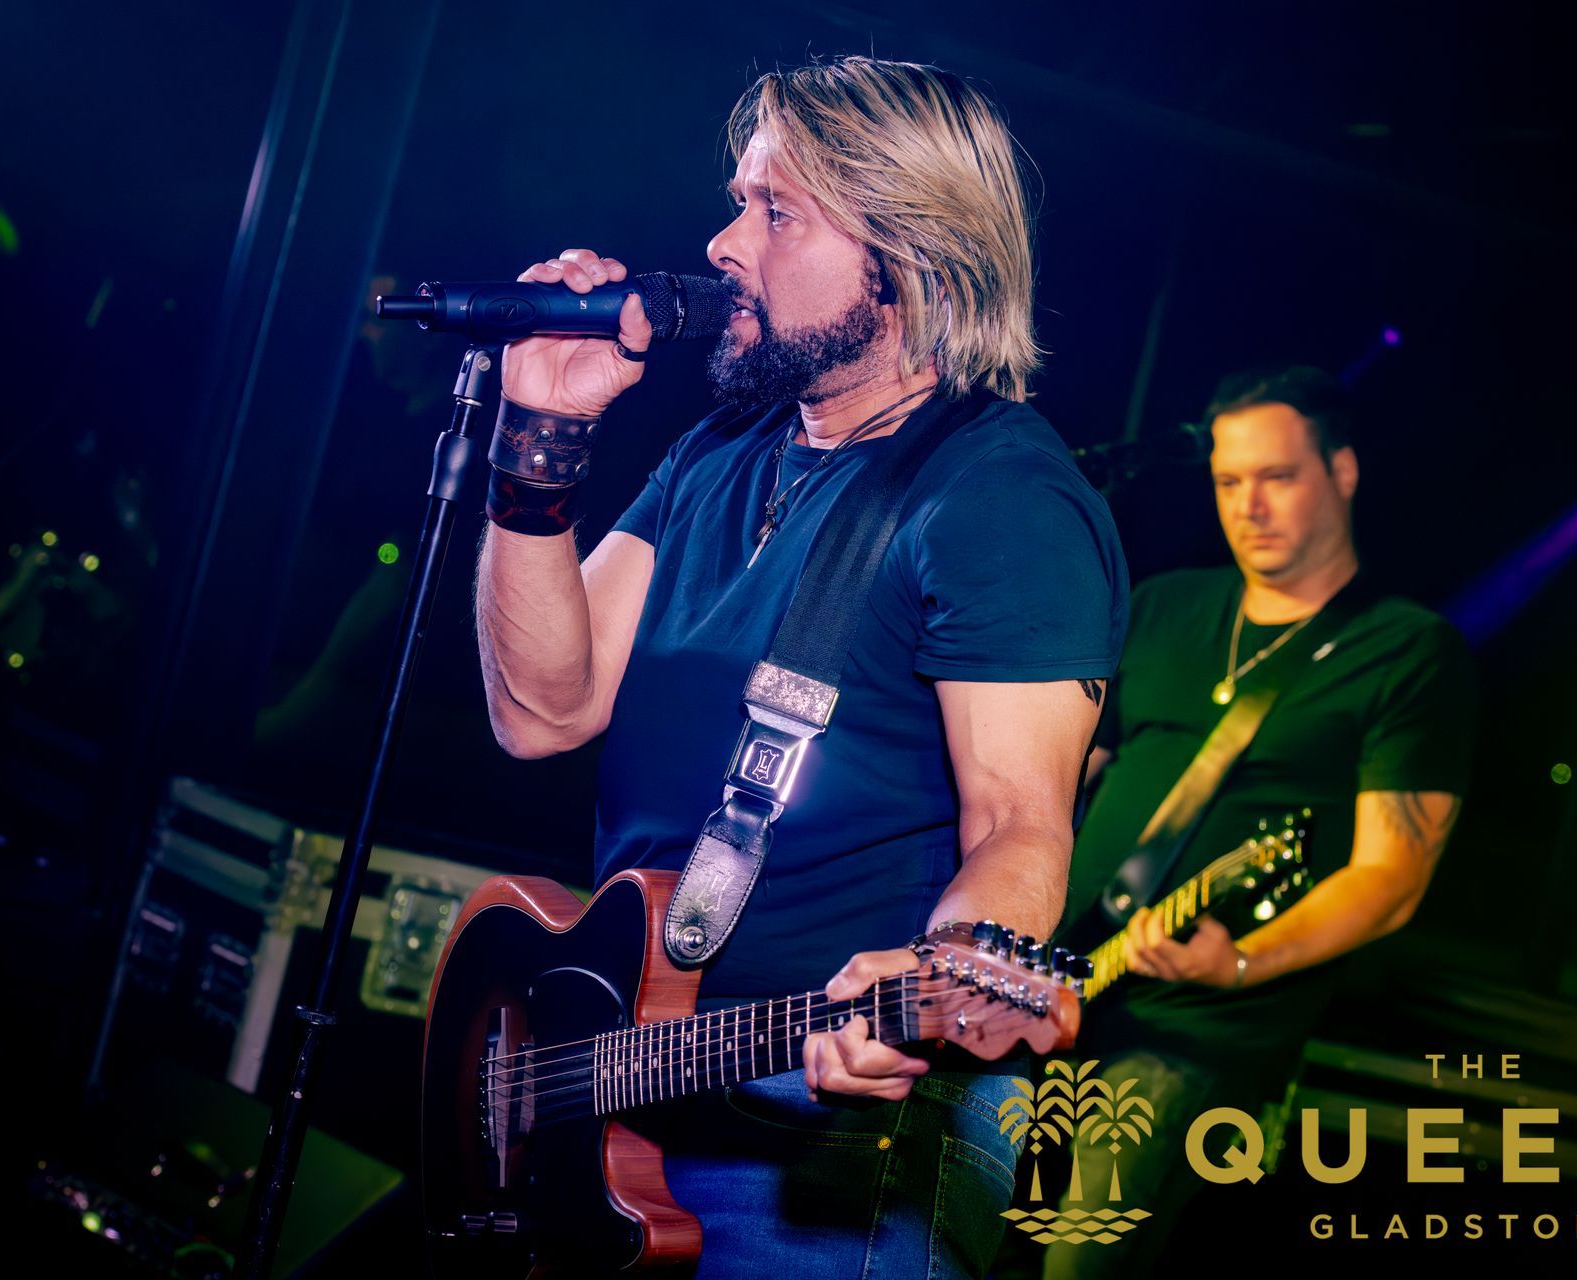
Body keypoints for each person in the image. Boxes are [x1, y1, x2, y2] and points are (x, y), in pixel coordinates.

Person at [473, 57, 1128, 1278]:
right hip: (634, 1094)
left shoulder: (1001, 498)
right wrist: (540, 438)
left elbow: (1021, 826)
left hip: (829, 1137)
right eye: (740, 202)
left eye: (778, 213)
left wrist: (943, 970)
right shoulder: (721, 449)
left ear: (912, 257)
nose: (724, 244)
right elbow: (540, 708)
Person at [1040, 366, 1475, 1277]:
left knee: (1079, 1257)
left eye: (1277, 476)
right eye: (1230, 481)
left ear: (1342, 472)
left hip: (1196, 1035)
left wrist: (1240, 962)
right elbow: (1064, 779)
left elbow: (1391, 877)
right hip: (1055, 983)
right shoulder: (1165, 604)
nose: (1251, 505)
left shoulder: (1406, 651)